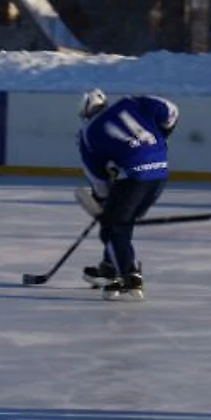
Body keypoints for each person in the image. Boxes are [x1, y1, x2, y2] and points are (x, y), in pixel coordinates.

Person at [74, 88, 179, 301]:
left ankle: (129, 275)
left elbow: (96, 177)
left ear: (85, 112)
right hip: (160, 173)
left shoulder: (89, 132)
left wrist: (102, 200)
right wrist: (162, 137)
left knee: (111, 228)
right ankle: (109, 269)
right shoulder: (131, 103)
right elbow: (170, 110)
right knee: (123, 223)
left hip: (133, 178)